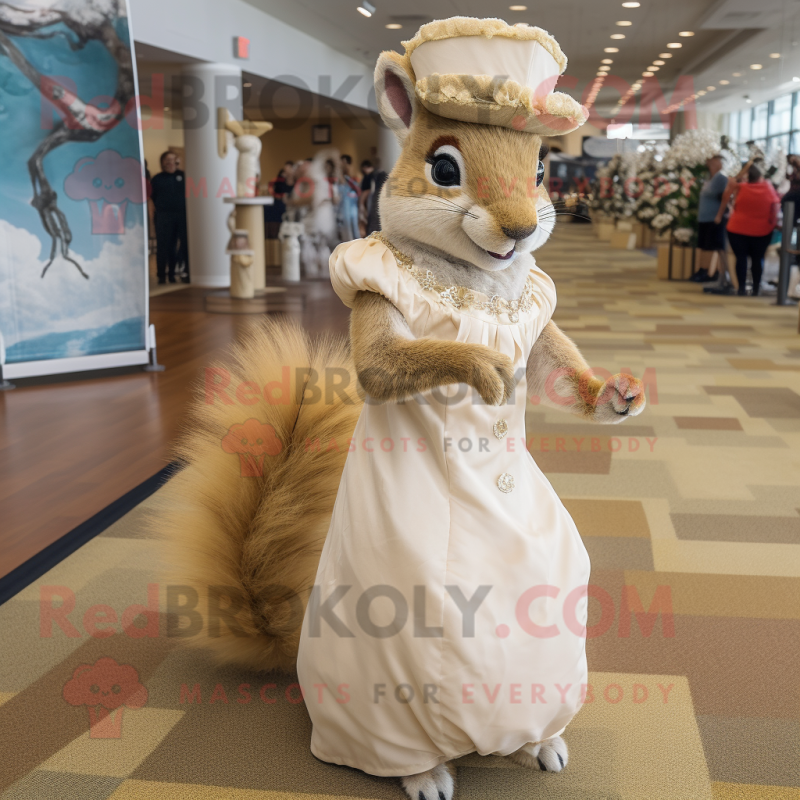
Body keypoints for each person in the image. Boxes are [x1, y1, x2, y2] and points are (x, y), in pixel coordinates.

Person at [725, 164, 780, 296]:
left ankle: (741, 288)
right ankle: (756, 288)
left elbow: (730, 185)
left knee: (741, 259)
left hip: (737, 229)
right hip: (762, 230)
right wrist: (772, 224)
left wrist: (742, 171)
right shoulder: (768, 188)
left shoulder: (741, 188)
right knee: (757, 259)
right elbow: (775, 207)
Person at [691, 155, 731, 284]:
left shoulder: (721, 179)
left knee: (713, 245)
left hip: (714, 218)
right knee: (703, 245)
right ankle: (702, 270)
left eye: (714, 162)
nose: (710, 164)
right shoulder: (709, 178)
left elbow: (724, 199)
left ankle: (711, 271)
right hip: (704, 218)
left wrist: (719, 215)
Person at [150, 151, 188, 284]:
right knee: (164, 246)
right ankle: (161, 275)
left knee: (181, 245)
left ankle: (172, 274)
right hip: (164, 216)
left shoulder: (184, 176)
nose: (170, 162)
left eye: (173, 159)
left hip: (182, 216)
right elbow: (153, 198)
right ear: (162, 163)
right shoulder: (157, 179)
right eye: (167, 160)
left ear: (177, 162)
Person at [264, 161, 294, 239]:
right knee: (267, 208)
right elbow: (274, 189)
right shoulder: (280, 180)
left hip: (289, 204)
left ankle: (275, 234)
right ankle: (270, 235)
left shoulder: (296, 181)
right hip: (279, 201)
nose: (287, 171)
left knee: (279, 208)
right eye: (285, 169)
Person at [338, 154, 361, 242]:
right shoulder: (339, 180)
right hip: (343, 211)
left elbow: (358, 192)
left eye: (344, 163)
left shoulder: (352, 179)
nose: (342, 165)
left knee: (354, 232)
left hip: (353, 210)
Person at [358, 159, 374, 236]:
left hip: (368, 201)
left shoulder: (369, 177)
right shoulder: (370, 176)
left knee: (366, 220)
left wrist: (361, 203)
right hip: (368, 201)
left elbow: (366, 191)